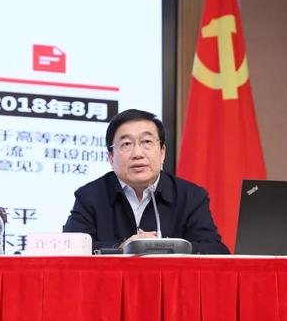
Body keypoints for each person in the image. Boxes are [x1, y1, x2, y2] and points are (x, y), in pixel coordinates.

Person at [63, 109, 229, 254]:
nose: (137, 154)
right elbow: (70, 247)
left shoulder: (190, 196)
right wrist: (121, 248)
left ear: (162, 152)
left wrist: (167, 248)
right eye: (126, 144)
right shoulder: (90, 196)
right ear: (111, 157)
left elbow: (215, 250)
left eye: (147, 142)